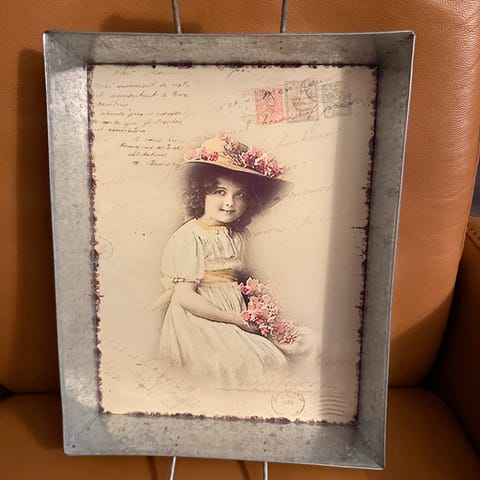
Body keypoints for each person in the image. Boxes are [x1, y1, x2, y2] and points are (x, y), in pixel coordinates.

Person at [156, 135, 295, 384]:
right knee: (245, 364)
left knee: (276, 361)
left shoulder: (239, 235)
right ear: (200, 194)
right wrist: (235, 320)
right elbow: (185, 296)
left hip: (235, 312)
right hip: (199, 320)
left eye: (239, 194)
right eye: (220, 192)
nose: (230, 203)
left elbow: (250, 278)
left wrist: (260, 310)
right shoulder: (190, 236)